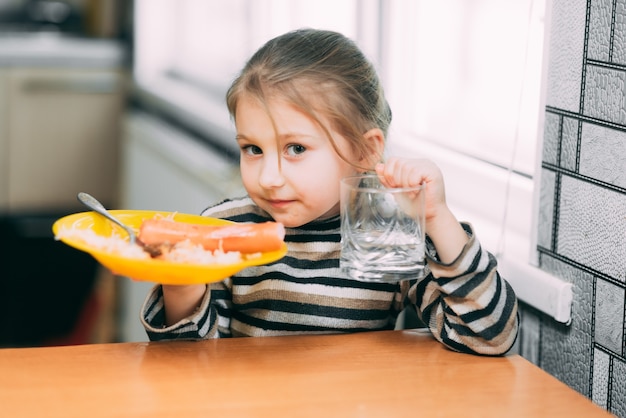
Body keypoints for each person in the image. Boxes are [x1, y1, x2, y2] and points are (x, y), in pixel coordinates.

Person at [141, 28, 518, 356]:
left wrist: (438, 218)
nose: (269, 178)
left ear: (365, 151)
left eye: (296, 149)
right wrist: (182, 289)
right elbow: (188, 364)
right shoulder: (223, 229)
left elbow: (488, 337)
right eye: (252, 149)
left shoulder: (386, 237)